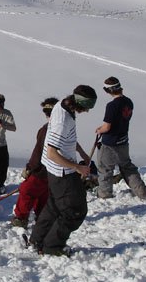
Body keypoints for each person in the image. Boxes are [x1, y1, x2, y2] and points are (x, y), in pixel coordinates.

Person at [29, 85, 96, 256]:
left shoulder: (63, 104)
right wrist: (77, 167)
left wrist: (80, 152)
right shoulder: (63, 120)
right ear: (80, 103)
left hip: (55, 171)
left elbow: (67, 138)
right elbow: (52, 153)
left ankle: (37, 239)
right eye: (87, 108)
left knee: (55, 206)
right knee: (75, 211)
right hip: (62, 172)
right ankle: (52, 246)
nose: (87, 112)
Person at [95, 77, 146, 200]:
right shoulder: (129, 102)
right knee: (127, 166)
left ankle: (104, 195)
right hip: (123, 140)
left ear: (107, 91)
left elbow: (107, 127)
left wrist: (99, 130)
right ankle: (142, 192)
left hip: (110, 142)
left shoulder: (111, 106)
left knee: (105, 169)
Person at [11, 97, 59, 229]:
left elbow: (38, 151)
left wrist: (30, 168)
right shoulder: (60, 128)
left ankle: (20, 218)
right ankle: (42, 216)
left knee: (27, 191)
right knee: (43, 193)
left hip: (41, 170)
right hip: (53, 170)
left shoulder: (46, 130)